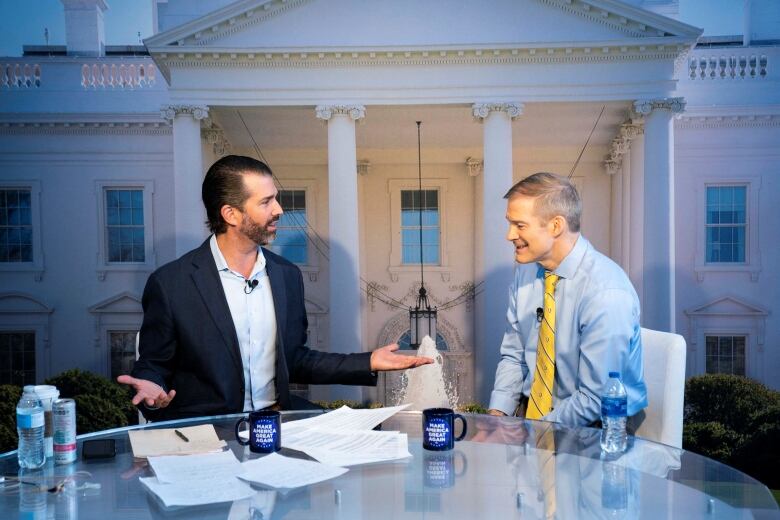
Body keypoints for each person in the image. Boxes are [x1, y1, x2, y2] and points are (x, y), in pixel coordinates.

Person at [118, 155, 431, 420]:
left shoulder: (286, 275)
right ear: (230, 214)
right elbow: (153, 363)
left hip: (278, 422)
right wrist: (149, 382)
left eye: (275, 198)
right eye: (266, 202)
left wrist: (368, 362)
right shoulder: (171, 283)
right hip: (210, 431)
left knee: (372, 440)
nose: (279, 209)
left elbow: (294, 360)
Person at [487, 172, 647, 427]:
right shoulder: (525, 272)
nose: (509, 235)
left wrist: (531, 436)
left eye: (519, 225)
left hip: (599, 431)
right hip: (534, 422)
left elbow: (596, 398)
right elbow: (514, 356)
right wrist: (497, 419)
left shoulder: (606, 292)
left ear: (555, 226)